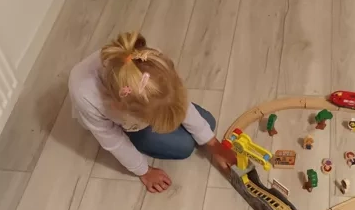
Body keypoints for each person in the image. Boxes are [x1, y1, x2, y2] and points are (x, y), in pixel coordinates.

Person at [68, 31, 236, 193]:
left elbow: (179, 102)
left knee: (208, 122)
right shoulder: (87, 95)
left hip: (138, 108)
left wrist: (213, 144)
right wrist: (144, 171)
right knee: (184, 147)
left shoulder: (151, 60)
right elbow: (114, 141)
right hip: (121, 121)